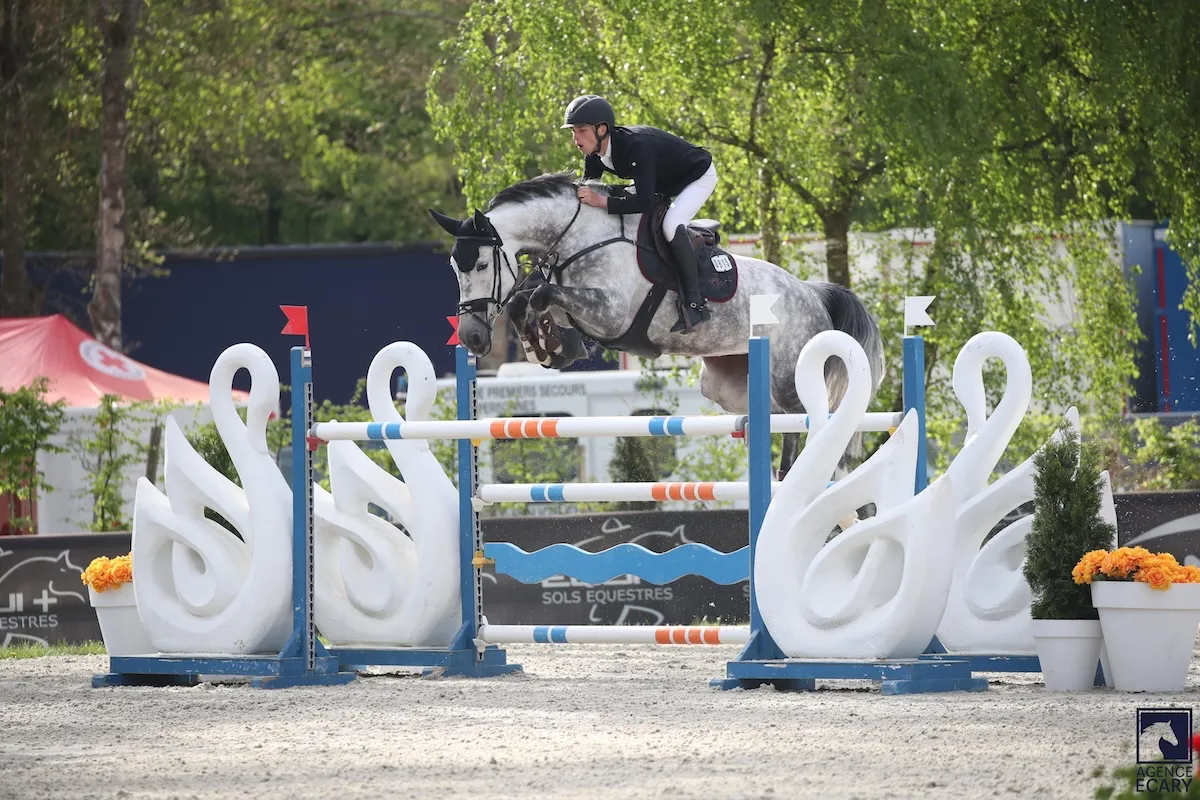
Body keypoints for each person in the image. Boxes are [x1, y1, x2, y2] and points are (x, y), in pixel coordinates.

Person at [561, 94, 718, 333]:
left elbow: (643, 202)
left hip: (697, 176)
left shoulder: (636, 147)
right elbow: (587, 191)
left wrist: (603, 202)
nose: (575, 138)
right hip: (663, 182)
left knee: (671, 224)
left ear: (601, 129)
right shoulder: (593, 154)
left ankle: (696, 304)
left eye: (581, 130)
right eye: (573, 131)